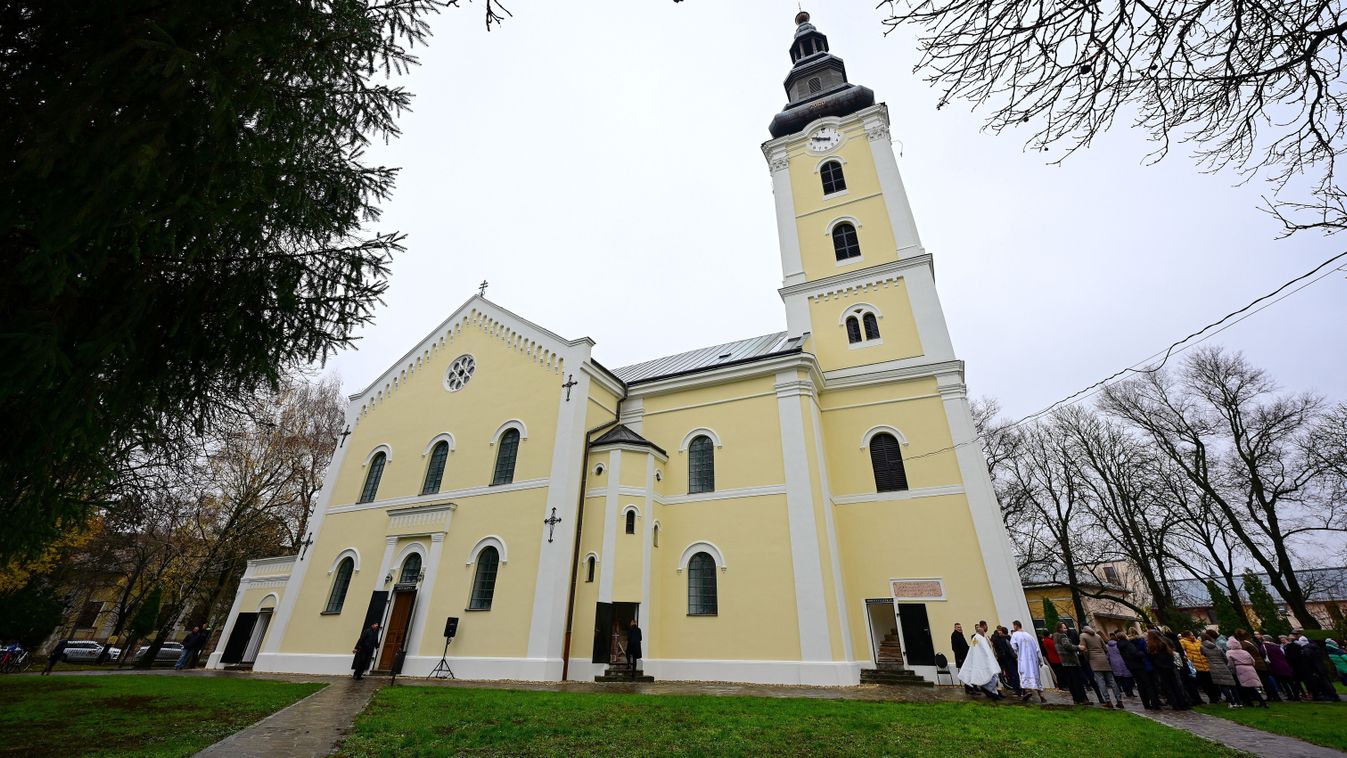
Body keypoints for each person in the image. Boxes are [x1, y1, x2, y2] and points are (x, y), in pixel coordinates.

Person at [957, 621, 1004, 700]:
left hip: (984, 661)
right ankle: (991, 692)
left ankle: (995, 693)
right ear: (983, 627)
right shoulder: (979, 638)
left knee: (993, 677)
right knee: (993, 676)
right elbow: (984, 650)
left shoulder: (978, 638)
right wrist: (989, 659)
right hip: (984, 661)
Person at [1079, 625, 1123, 709]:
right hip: (1104, 659)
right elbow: (1105, 649)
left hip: (1094, 660)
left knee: (1101, 682)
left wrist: (1087, 658)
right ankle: (1119, 700)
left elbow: (1083, 649)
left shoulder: (1083, 636)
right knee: (1112, 681)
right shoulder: (1098, 636)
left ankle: (1108, 701)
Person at [1147, 631, 1189, 710]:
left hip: (1161, 668)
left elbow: (1151, 658)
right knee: (1176, 684)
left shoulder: (1151, 645)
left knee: (1168, 687)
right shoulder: (1165, 641)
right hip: (1170, 665)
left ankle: (1175, 704)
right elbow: (1172, 650)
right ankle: (1183, 703)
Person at [1232, 629, 1278, 701]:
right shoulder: (1251, 641)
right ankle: (1274, 695)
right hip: (1260, 662)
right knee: (1265, 680)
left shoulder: (1244, 643)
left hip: (1255, 663)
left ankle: (1271, 696)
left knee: (1263, 681)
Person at [1120, 629, 1160, 710]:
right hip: (1143, 664)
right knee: (1149, 684)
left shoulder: (1125, 645)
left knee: (1140, 685)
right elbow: (1144, 652)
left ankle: (1146, 704)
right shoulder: (1140, 641)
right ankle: (1155, 703)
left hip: (1133, 667)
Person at [1201, 630, 1241, 707]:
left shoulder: (1202, 647)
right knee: (1232, 685)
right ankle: (1239, 703)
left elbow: (1204, 655)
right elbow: (1224, 657)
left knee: (1223, 686)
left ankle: (1232, 703)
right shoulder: (1217, 646)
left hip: (1214, 667)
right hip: (1223, 666)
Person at [1052, 622, 1088, 704]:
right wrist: (1078, 647)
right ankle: (1082, 698)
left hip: (1064, 661)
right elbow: (1067, 646)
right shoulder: (1062, 636)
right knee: (1077, 681)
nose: (1066, 629)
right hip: (1071, 661)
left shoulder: (1055, 637)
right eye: (1064, 628)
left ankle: (1076, 698)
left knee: (1071, 682)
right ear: (1060, 629)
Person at [1010, 621, 1045, 703]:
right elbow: (1037, 649)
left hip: (1023, 659)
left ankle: (1027, 691)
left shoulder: (1015, 635)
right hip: (1033, 660)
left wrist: (1017, 655)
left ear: (1015, 626)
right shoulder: (1029, 636)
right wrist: (1040, 661)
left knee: (1024, 675)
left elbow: (1014, 647)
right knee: (1035, 676)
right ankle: (1041, 695)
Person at [1224, 643, 1268, 708]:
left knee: (1241, 687)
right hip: (1250, 669)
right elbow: (1253, 661)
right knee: (1252, 688)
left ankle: (1247, 702)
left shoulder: (1229, 652)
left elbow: (1230, 663)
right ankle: (1262, 702)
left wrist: (1232, 670)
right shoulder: (1245, 652)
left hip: (1239, 670)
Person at [1179, 630, 1216, 704]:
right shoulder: (1183, 642)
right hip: (1196, 665)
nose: (1193, 636)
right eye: (1191, 635)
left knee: (1210, 682)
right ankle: (1211, 698)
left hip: (1205, 663)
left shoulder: (1197, 641)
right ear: (1187, 636)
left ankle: (1215, 698)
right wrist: (1189, 658)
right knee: (1204, 683)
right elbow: (1182, 652)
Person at [1263, 634, 1299, 700]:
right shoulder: (1278, 646)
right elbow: (1284, 654)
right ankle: (1296, 696)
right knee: (1290, 682)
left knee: (1284, 682)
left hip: (1276, 666)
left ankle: (1290, 695)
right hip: (1284, 664)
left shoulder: (1265, 647)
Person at [991, 625, 1022, 697]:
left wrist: (1013, 657)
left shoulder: (1006, 639)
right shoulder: (1006, 638)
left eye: (1000, 631)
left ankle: (1018, 690)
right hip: (1008, 660)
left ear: (1003, 632)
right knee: (1012, 674)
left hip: (1009, 659)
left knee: (1014, 674)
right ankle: (1017, 689)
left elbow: (1010, 649)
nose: (999, 632)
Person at [1106, 632, 1135, 697]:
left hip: (1114, 664)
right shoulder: (1118, 645)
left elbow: (1107, 656)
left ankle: (1126, 692)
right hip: (1122, 662)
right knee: (1127, 678)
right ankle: (1130, 692)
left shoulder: (1107, 646)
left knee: (1121, 679)